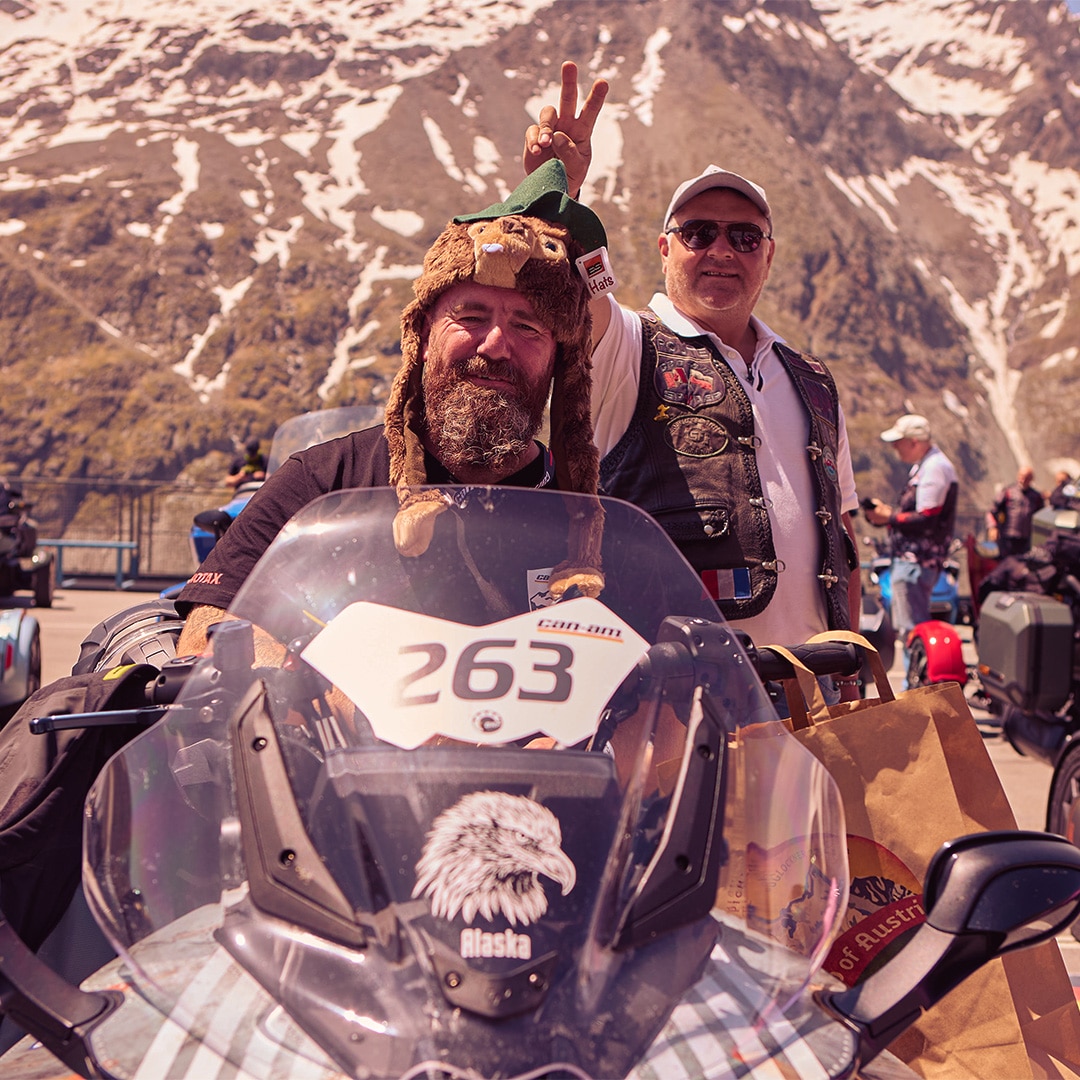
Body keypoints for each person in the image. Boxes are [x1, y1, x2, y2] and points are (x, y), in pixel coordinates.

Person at [521, 63, 861, 696]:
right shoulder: (625, 346)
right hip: (675, 707)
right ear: (664, 248)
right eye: (699, 233)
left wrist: (852, 663)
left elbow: (840, 537)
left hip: (813, 699)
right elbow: (569, 282)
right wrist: (554, 189)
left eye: (744, 236)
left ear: (769, 254)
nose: (722, 250)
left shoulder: (814, 381)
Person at [176, 161, 605, 655]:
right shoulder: (323, 480)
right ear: (423, 335)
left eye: (528, 327)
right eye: (470, 316)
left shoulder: (586, 520)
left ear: (559, 356)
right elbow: (212, 623)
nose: (495, 345)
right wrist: (318, 692)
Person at [864, 414, 958, 676]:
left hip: (915, 562)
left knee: (912, 630)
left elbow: (927, 518)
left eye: (899, 442)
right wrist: (889, 516)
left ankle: (915, 691)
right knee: (911, 629)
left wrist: (889, 517)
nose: (895, 448)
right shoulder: (927, 466)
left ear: (915, 442)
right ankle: (916, 687)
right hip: (914, 561)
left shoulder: (934, 468)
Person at [986, 465, 1044, 556]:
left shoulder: (1036, 497)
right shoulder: (1008, 492)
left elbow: (1042, 516)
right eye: (1022, 477)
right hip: (1008, 537)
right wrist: (993, 527)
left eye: (1027, 478)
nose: (1023, 480)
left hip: (1027, 539)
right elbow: (992, 511)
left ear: (1031, 479)